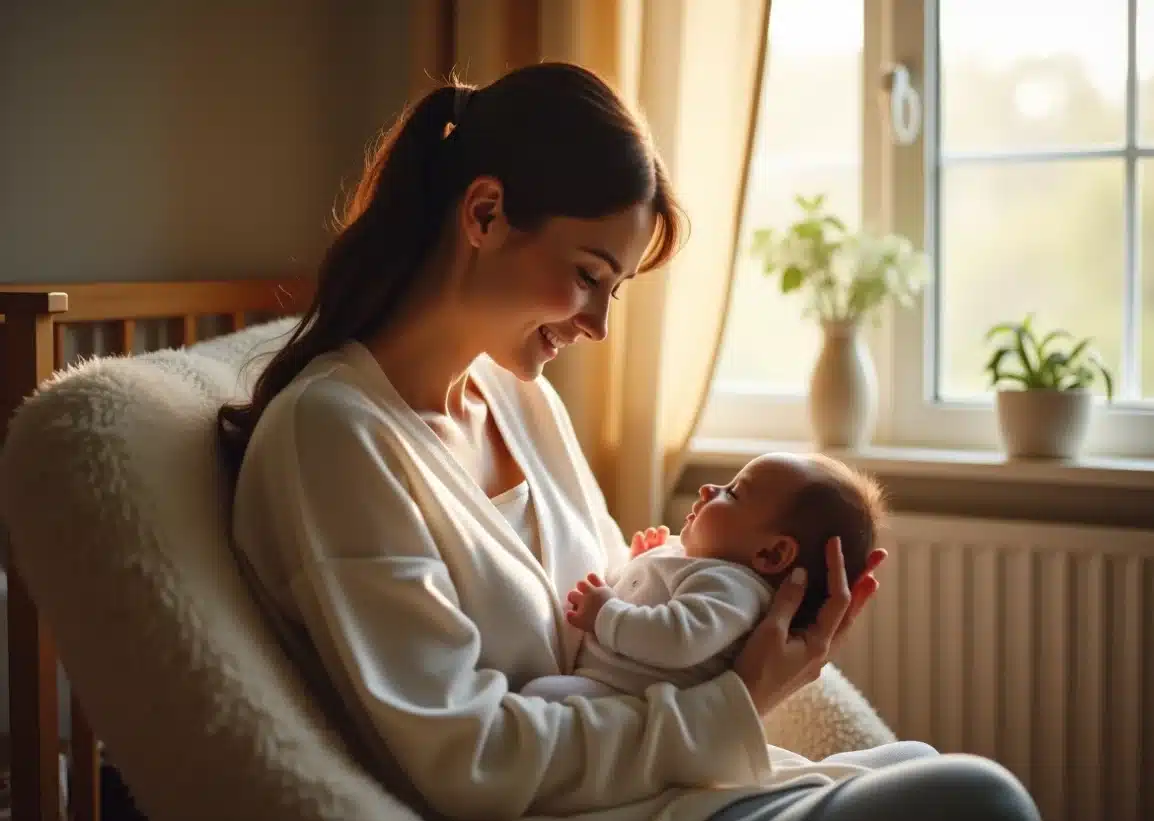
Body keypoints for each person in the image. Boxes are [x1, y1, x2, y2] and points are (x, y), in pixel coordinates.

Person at [218, 62, 1041, 821]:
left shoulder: (519, 403)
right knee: (977, 798)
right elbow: (463, 758)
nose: (600, 326)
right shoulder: (333, 437)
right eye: (586, 275)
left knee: (929, 767)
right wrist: (733, 705)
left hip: (672, 792)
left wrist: (763, 636)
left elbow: (629, 614)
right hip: (618, 808)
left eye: (612, 289)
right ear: (485, 213)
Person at [520, 452, 881, 702]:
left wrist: (606, 614)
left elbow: (676, 638)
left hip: (629, 703)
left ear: (771, 554)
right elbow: (655, 599)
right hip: (612, 694)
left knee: (543, 695)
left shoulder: (734, 590)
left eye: (734, 492)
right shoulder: (702, 565)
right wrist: (641, 565)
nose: (709, 489)